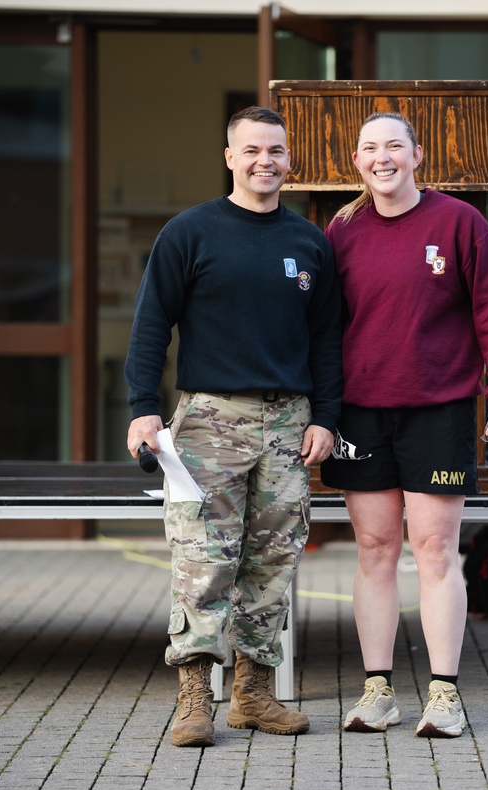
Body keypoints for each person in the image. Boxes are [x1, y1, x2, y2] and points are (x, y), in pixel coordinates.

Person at [125, 106, 342, 748]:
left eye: (275, 151)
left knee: (272, 560)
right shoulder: (189, 233)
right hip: (207, 421)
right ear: (229, 156)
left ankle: (252, 695)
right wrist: (142, 406)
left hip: (288, 422)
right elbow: (149, 327)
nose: (263, 161)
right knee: (203, 560)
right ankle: (195, 699)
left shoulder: (309, 243)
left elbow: (327, 340)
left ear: (288, 160)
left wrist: (326, 418)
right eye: (251, 150)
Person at [320, 112, 488, 738]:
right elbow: (323, 327)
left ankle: (444, 695)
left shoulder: (460, 222)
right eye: (368, 148)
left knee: (435, 549)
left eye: (394, 145)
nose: (381, 157)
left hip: (439, 408)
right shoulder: (341, 230)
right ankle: (378, 692)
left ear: (417, 155)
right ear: (356, 162)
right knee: (375, 549)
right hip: (361, 411)